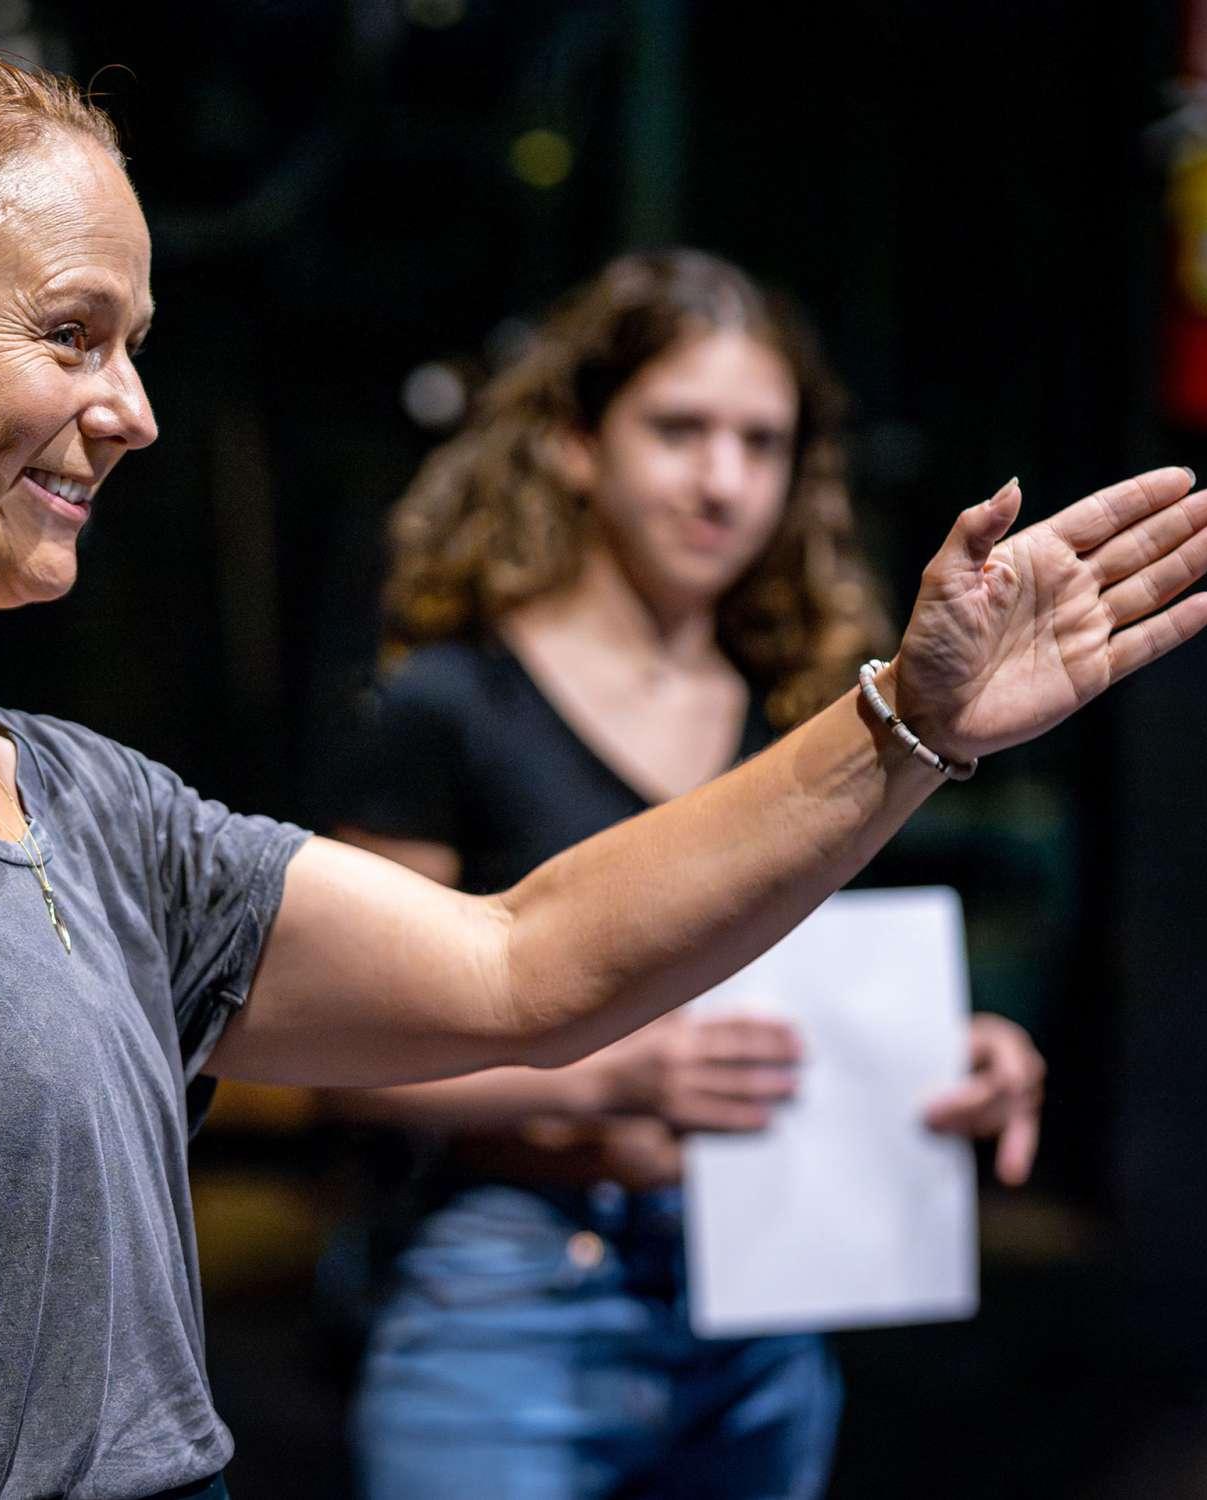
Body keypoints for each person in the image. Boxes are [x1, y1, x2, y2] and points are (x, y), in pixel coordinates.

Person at [0, 44, 1207, 1500]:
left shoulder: (70, 794)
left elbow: (519, 960)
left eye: (139, 343)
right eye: (72, 334)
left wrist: (906, 725)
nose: (135, 409)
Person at [330, 250, 1050, 1500]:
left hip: (758, 1301)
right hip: (512, 1291)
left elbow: (809, 993)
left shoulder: (812, 720)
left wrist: (942, 1054)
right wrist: (625, 1071)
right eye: (678, 429)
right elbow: (343, 1056)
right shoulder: (448, 704)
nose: (722, 480)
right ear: (572, 442)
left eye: (760, 443)